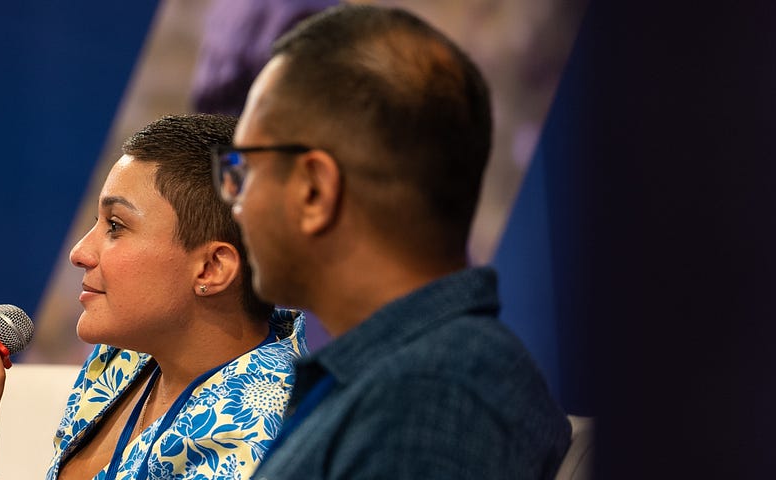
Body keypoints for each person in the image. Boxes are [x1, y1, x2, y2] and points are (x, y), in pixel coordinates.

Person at [218, 5, 571, 478]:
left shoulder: (431, 397)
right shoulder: (408, 378)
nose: (233, 201)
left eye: (244, 170)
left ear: (314, 190)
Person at [0, 114, 308, 480]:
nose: (79, 252)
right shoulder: (122, 355)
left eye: (115, 226)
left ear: (211, 269)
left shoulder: (258, 426)